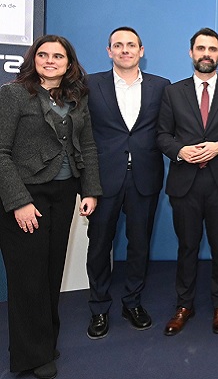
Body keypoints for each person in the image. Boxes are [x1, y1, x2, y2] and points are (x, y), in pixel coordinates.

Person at [0, 35, 102, 378]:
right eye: (43, 54)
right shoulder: (13, 94)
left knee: (50, 272)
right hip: (25, 197)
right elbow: (0, 152)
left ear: (69, 63)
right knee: (27, 278)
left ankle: (44, 342)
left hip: (64, 192)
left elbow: (86, 145)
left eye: (58, 56)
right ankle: (31, 357)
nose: (50, 60)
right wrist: (19, 201)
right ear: (33, 59)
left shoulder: (76, 97)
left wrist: (90, 190)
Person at [157, 28, 218, 336]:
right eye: (200, 48)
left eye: (212, 49)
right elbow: (162, 135)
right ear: (191, 53)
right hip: (185, 184)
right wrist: (179, 150)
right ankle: (185, 305)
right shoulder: (172, 91)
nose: (206, 53)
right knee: (187, 248)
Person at [85, 27, 170, 339]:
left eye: (130, 45)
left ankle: (132, 302)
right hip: (104, 179)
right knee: (98, 247)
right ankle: (98, 307)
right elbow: (83, 134)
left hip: (145, 179)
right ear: (109, 51)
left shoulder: (161, 86)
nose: (124, 50)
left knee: (139, 246)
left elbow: (166, 131)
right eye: (117, 45)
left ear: (141, 50)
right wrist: (88, 183)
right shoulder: (90, 84)